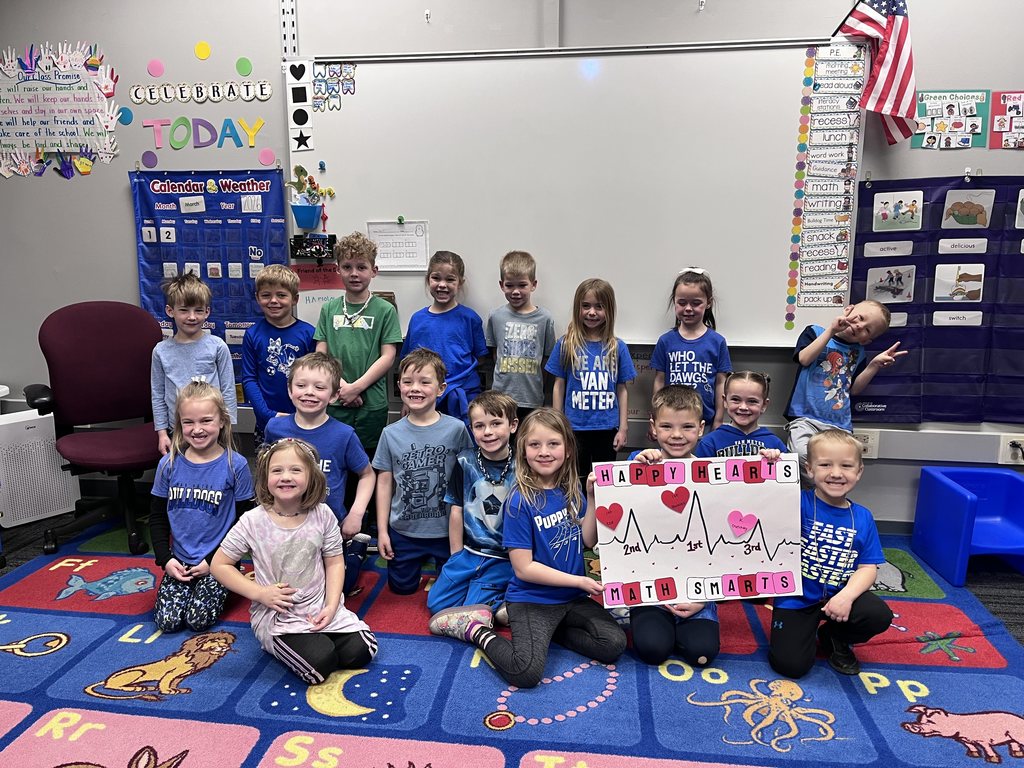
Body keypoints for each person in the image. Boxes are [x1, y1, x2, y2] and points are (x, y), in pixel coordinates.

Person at [428, 409, 626, 689]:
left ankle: (550, 633)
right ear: (523, 451)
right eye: (535, 445)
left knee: (613, 644)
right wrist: (580, 581)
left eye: (553, 444)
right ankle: (475, 629)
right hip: (533, 599)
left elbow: (587, 541)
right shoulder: (519, 502)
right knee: (525, 672)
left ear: (568, 450)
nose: (544, 452)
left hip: (571, 597)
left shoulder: (572, 491)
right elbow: (524, 568)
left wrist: (592, 499)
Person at [211, 438, 378, 684]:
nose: (285, 477)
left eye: (295, 470)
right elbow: (219, 565)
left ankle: (319, 638)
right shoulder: (252, 521)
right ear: (266, 478)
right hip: (278, 615)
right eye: (277, 470)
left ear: (311, 477)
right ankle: (285, 643)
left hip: (319, 606)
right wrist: (259, 593)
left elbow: (333, 562)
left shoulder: (322, 514)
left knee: (362, 651)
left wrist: (332, 606)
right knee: (320, 664)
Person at [769, 429, 893, 678]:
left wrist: (847, 596)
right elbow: (764, 495)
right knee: (791, 666)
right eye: (825, 464)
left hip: (840, 596)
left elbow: (868, 567)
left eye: (846, 466)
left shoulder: (863, 517)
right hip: (797, 598)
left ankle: (833, 636)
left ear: (858, 472)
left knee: (878, 615)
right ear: (809, 469)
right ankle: (807, 629)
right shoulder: (795, 501)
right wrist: (771, 464)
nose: (836, 473)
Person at [265, 352, 375, 594]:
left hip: (329, 527)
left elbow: (367, 474)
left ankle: (354, 551)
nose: (309, 392)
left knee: (338, 590)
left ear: (335, 394)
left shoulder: (343, 435)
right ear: (290, 389)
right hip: (285, 522)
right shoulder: (275, 428)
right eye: (301, 385)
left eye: (319, 387)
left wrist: (356, 513)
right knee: (288, 587)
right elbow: (266, 472)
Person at [149, 381, 254, 633]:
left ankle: (229, 584)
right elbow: (157, 518)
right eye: (188, 422)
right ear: (179, 424)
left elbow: (244, 523)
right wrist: (166, 560)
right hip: (179, 562)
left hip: (220, 562)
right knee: (168, 622)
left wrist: (214, 561)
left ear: (221, 421)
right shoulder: (168, 464)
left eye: (206, 421)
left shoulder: (235, 465)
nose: (197, 429)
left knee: (198, 621)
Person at [628, 386, 720, 666]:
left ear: (701, 428)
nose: (677, 435)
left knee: (702, 654)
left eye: (687, 427)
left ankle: (691, 621)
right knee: (653, 651)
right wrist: (638, 467)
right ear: (653, 428)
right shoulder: (638, 464)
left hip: (698, 587)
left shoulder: (713, 475)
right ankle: (656, 623)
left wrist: (703, 599)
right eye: (667, 426)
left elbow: (722, 542)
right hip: (649, 587)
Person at [373, 348, 474, 594]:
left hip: (447, 531)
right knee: (401, 590)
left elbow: (469, 478)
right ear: (399, 386)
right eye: (408, 382)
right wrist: (383, 531)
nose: (415, 388)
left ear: (441, 389)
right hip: (404, 531)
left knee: (452, 591)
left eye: (424, 382)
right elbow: (384, 483)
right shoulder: (390, 433)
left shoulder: (457, 428)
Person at [426, 391, 518, 620]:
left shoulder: (523, 464)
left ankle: (505, 600)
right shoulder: (464, 461)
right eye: (479, 426)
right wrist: (455, 555)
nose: (488, 432)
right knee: (437, 604)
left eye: (496, 423)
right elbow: (456, 509)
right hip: (470, 552)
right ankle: (492, 599)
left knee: (473, 604)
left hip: (507, 556)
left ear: (513, 425)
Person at [783, 300, 908, 470]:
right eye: (860, 317)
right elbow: (804, 359)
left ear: (866, 341)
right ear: (848, 310)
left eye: (867, 329)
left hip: (839, 424)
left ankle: (826, 493)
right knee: (801, 457)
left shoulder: (859, 352)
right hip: (805, 417)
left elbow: (854, 389)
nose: (859, 326)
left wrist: (874, 365)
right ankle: (814, 493)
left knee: (842, 466)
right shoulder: (815, 331)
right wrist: (832, 330)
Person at [315, 231, 402, 461]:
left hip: (371, 403)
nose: (354, 274)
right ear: (337, 269)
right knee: (335, 461)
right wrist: (343, 387)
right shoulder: (328, 309)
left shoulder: (385, 310)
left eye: (361, 267)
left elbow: (388, 357)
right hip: (334, 398)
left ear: (374, 271)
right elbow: (321, 354)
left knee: (368, 463)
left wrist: (357, 387)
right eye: (347, 267)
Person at [546, 278, 636, 479]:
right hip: (574, 428)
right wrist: (557, 424)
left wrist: (623, 428)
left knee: (604, 481)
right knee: (575, 480)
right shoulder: (565, 345)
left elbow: (621, 389)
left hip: (607, 429)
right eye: (585, 306)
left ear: (609, 310)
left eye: (599, 307)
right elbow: (558, 386)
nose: (592, 312)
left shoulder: (617, 347)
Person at [151, 272, 237, 455]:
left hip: (214, 431)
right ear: (170, 311)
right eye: (184, 310)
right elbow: (158, 395)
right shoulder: (160, 351)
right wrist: (161, 434)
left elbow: (228, 390)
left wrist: (228, 431)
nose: (192, 317)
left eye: (198, 310)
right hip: (177, 431)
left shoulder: (218, 347)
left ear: (207, 312)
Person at [402, 250, 488, 425]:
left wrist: (455, 381)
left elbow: (480, 358)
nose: (442, 285)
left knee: (464, 447)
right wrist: (407, 401)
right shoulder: (418, 319)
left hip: (463, 395)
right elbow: (407, 363)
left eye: (450, 279)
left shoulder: (470, 318)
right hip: (424, 396)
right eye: (436, 278)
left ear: (460, 283)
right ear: (428, 280)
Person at [241, 264, 316, 444]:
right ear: (257, 298)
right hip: (267, 422)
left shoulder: (309, 333)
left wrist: (307, 412)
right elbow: (249, 379)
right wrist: (267, 414)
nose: (273, 301)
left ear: (295, 299)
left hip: (303, 420)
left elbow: (316, 378)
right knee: (268, 468)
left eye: (281, 295)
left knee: (303, 468)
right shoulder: (252, 334)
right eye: (266, 295)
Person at [650, 268, 732, 430]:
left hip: (706, 423)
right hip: (670, 422)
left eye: (696, 303)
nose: (688, 308)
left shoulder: (717, 342)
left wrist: (719, 419)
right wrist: (655, 416)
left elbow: (720, 383)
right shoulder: (665, 341)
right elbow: (659, 380)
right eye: (682, 303)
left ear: (708, 303)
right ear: (674, 301)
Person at [485, 250, 557, 425]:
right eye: (510, 285)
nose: (515, 291)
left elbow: (548, 360)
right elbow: (495, 354)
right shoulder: (496, 316)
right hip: (501, 398)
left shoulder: (545, 318)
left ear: (533, 285)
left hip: (532, 398)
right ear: (502, 285)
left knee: (528, 445)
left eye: (522, 285)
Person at [695, 371, 788, 459]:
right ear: (725, 401)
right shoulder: (709, 443)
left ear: (764, 405)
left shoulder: (775, 444)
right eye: (735, 399)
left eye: (752, 401)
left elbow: (787, 472)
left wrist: (776, 460)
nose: (743, 407)